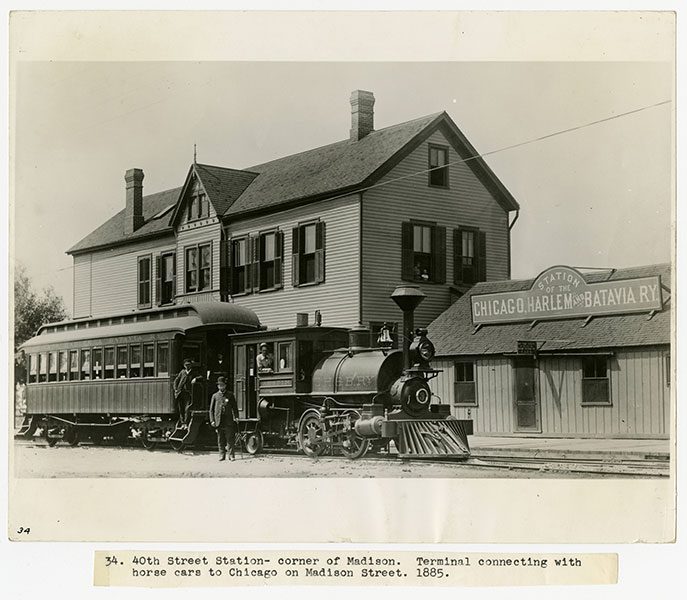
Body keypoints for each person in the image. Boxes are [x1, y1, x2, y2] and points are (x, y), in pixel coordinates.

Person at [209, 376, 239, 461]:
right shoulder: (215, 396)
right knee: (220, 439)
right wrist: (212, 421)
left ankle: (231, 455)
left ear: (225, 385)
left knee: (230, 438)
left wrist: (236, 417)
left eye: (222, 385)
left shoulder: (230, 395)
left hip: (228, 420)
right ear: (217, 386)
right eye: (219, 385)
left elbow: (235, 407)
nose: (221, 387)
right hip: (218, 421)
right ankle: (221, 455)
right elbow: (211, 410)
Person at [173, 358, 198, 427]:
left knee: (187, 408)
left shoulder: (194, 372)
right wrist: (175, 389)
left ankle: (186, 423)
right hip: (180, 393)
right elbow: (176, 380)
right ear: (184, 365)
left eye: (189, 365)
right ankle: (182, 423)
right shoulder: (182, 372)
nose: (187, 366)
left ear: (191, 365)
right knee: (181, 409)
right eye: (186, 365)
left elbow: (201, 376)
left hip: (188, 393)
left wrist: (195, 379)